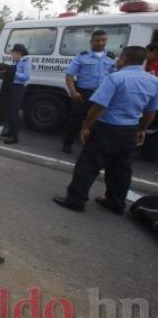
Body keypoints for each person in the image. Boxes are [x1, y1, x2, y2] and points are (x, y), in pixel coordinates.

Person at [53, 46, 158, 214]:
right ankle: (116, 202)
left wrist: (86, 126)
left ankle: (76, 200)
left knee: (88, 165)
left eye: (120, 58)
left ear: (125, 59)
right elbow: (151, 111)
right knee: (121, 169)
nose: (118, 60)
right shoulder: (153, 81)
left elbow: (98, 107)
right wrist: (142, 130)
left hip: (107, 129)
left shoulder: (115, 78)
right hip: (130, 130)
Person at [62, 30, 116, 154]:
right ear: (91, 42)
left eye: (104, 40)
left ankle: (91, 146)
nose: (101, 43)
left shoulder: (111, 58)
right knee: (75, 120)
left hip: (102, 94)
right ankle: (67, 143)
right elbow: (69, 76)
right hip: (83, 93)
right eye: (98, 40)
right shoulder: (82, 56)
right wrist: (73, 92)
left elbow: (115, 77)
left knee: (97, 121)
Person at [3, 44, 32, 144]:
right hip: (11, 87)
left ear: (18, 53)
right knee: (9, 111)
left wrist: (13, 71)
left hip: (18, 88)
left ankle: (14, 138)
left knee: (14, 113)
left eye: (13, 52)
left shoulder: (26, 62)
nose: (11, 54)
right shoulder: (16, 61)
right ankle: (10, 132)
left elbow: (26, 77)